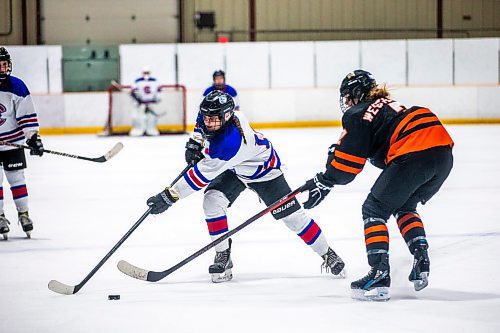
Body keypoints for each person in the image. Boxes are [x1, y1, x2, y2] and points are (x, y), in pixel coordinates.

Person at [146, 90, 345, 283]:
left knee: (294, 219)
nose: (208, 122)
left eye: (213, 119)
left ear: (226, 116)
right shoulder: (223, 116)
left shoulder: (230, 143)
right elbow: (201, 122)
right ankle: (223, 253)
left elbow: (198, 178)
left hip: (264, 174)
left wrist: (168, 197)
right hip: (236, 169)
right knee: (212, 201)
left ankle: (327, 253)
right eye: (207, 117)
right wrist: (195, 142)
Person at [302, 70, 454, 301]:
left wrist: (325, 179)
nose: (347, 103)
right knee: (404, 205)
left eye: (347, 97)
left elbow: (347, 166)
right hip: (443, 154)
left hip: (415, 151)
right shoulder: (387, 104)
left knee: (374, 209)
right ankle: (421, 258)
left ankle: (379, 275)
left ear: (356, 93)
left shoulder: (358, 113)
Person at [0, 47, 44, 240]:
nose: (2, 68)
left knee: (17, 179)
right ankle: (0, 217)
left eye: (4, 64)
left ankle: (23, 214)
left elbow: (26, 115)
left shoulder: (17, 86)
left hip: (12, 142)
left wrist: (33, 138)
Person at [129, 67, 161, 136]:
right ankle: (138, 130)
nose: (146, 74)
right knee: (138, 117)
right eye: (145, 73)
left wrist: (157, 99)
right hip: (141, 103)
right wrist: (137, 100)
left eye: (147, 72)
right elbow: (133, 92)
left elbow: (158, 91)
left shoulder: (154, 81)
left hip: (151, 102)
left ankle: (151, 129)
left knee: (152, 118)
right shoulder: (138, 81)